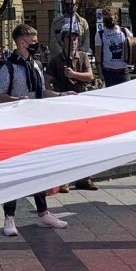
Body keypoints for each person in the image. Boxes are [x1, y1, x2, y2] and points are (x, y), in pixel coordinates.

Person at [0, 24, 69, 235]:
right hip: (15, 125)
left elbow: (40, 91)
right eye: (33, 40)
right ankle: (9, 217)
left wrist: (62, 96)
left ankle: (44, 213)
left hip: (34, 123)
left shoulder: (36, 65)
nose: (36, 43)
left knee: (38, 167)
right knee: (15, 170)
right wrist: (17, 100)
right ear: (21, 42)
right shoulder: (9, 67)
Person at [47, 30, 100, 191]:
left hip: (81, 102)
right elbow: (47, 81)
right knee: (66, 142)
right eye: (70, 39)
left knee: (85, 140)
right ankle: (65, 179)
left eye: (76, 39)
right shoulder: (56, 60)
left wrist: (73, 74)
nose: (73, 42)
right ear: (63, 42)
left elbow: (90, 76)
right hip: (64, 103)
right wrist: (55, 94)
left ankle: (85, 177)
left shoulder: (83, 57)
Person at [96, 8, 134, 86]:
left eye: (110, 18)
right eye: (105, 18)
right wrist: (100, 73)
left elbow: (134, 46)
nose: (108, 20)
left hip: (123, 71)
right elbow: (97, 55)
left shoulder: (124, 31)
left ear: (115, 17)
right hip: (108, 72)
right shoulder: (100, 34)